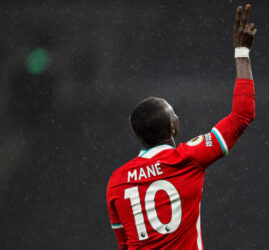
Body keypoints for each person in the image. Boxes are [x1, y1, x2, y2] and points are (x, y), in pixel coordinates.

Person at [106, 4, 257, 249]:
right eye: (173, 112)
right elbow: (242, 114)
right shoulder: (188, 158)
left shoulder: (117, 181)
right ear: (173, 126)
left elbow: (124, 246)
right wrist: (242, 50)